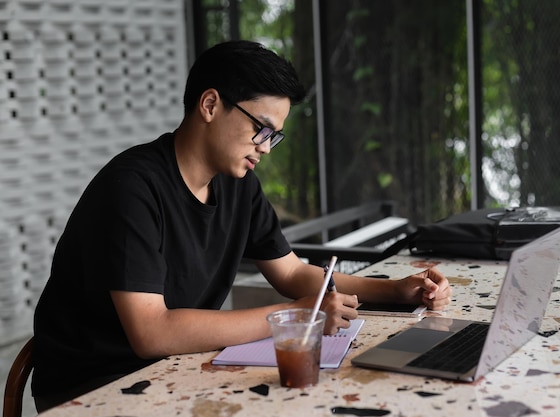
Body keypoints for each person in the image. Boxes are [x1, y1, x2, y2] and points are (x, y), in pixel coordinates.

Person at [31, 40, 451, 412]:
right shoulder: (132, 188)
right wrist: (297, 315)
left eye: (275, 136)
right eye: (261, 129)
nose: (265, 148)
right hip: (94, 391)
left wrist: (395, 289)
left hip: (178, 370)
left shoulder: (238, 186)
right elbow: (152, 332)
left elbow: (291, 273)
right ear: (210, 105)